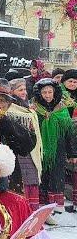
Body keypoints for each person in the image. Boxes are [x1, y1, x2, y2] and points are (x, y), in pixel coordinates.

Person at [31, 78, 77, 214]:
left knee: (57, 176)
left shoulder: (62, 109)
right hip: (40, 149)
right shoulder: (34, 108)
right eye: (44, 92)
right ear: (39, 93)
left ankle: (56, 204)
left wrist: (72, 153)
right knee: (42, 176)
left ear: (54, 92)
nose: (47, 95)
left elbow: (69, 133)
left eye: (50, 92)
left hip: (59, 148)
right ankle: (43, 204)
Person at [7, 78, 43, 213]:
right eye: (20, 90)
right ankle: (22, 211)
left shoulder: (26, 106)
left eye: (24, 89)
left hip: (30, 149)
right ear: (12, 91)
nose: (24, 92)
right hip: (19, 149)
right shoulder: (11, 108)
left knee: (31, 178)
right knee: (21, 179)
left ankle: (32, 209)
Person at [61, 69, 77, 212]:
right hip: (64, 134)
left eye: (75, 81)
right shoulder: (59, 95)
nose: (72, 84)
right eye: (70, 81)